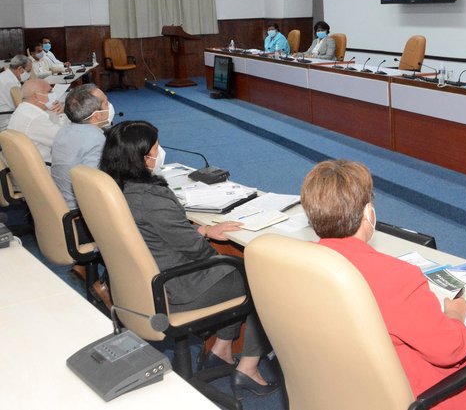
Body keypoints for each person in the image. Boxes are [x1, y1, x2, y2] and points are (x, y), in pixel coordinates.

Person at [300, 160, 466, 410]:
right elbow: (450, 351)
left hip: (343, 389)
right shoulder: (395, 277)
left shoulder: (300, 265)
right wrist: (454, 315)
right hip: (413, 395)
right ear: (369, 213)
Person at [99, 121, 280, 398]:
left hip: (145, 282)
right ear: (141, 158)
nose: (160, 154)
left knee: (235, 267)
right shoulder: (150, 197)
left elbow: (158, 233)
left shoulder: (114, 186)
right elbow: (197, 251)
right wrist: (204, 238)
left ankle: (222, 347)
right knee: (262, 279)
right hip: (179, 287)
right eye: (156, 149)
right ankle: (249, 366)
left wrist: (203, 229)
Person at [51, 84, 112, 209]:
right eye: (106, 103)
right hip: (80, 211)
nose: (109, 106)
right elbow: (93, 186)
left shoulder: (64, 130)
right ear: (96, 116)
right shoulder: (95, 139)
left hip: (61, 201)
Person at [7, 78, 68, 162]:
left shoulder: (23, 109)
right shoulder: (35, 118)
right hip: (47, 168)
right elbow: (66, 140)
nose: (53, 94)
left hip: (27, 167)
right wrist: (62, 114)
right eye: (49, 91)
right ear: (36, 96)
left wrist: (56, 113)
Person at [0, 54, 31, 131]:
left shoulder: (6, 76)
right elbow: (19, 106)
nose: (29, 75)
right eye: (28, 71)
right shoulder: (9, 82)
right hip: (6, 120)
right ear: (20, 69)